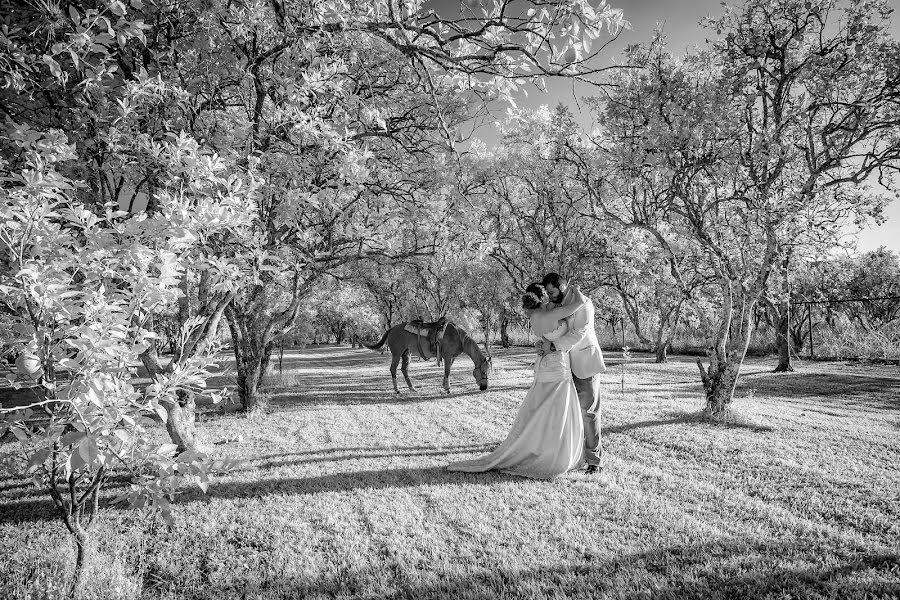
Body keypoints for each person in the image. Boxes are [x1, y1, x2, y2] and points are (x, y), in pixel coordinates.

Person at [446, 282, 588, 479]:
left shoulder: (536, 317)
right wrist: (574, 289)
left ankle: (539, 447)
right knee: (557, 411)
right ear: (544, 297)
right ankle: (554, 453)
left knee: (541, 410)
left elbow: (545, 335)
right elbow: (579, 304)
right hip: (557, 367)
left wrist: (543, 343)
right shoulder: (552, 314)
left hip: (545, 366)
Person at [539, 272, 606, 475]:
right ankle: (573, 456)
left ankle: (595, 460)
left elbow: (579, 333)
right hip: (564, 366)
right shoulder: (556, 305)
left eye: (551, 292)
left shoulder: (584, 303)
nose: (549, 297)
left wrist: (552, 346)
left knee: (589, 413)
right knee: (567, 413)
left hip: (584, 363)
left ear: (561, 286)